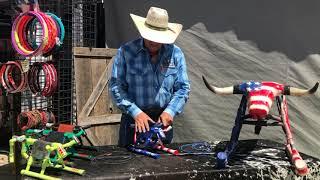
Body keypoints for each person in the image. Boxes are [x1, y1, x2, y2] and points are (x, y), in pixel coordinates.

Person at [109, 7, 190, 147]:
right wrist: (136, 112)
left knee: (162, 166)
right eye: (150, 36)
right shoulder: (126, 52)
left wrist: (170, 111)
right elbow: (116, 87)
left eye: (158, 38)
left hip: (162, 121)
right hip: (133, 121)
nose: (154, 41)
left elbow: (183, 88)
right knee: (128, 166)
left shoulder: (175, 54)